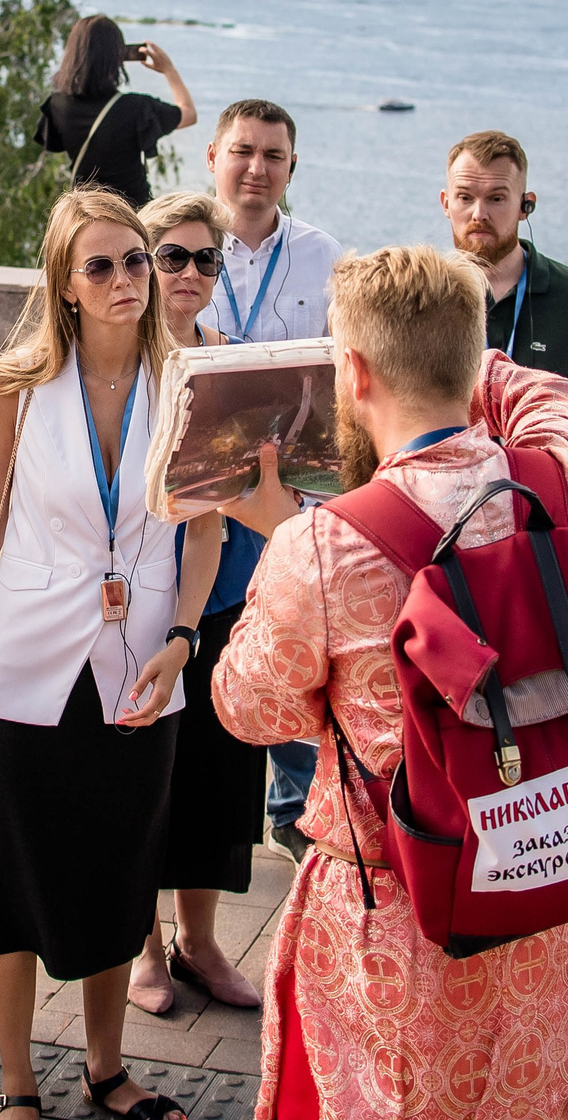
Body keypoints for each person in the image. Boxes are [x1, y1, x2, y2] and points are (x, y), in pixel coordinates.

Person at [212, 245, 568, 1120]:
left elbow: (250, 706)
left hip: (406, 902)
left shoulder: (324, 545)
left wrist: (276, 537)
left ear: (355, 371)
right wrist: (468, 350)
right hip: (544, 871)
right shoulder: (566, 478)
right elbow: (550, 398)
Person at [0, 188, 218, 1120]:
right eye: (102, 265)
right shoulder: (13, 380)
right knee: (9, 878)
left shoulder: (194, 374)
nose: (129, 279)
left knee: (120, 870)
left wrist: (184, 636)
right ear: (64, 282)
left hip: (140, 665)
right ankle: (17, 1081)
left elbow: (206, 528)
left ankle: (104, 1068)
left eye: (137, 259)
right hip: (25, 664)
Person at [125, 191, 292, 1017]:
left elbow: (267, 489)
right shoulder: (121, 361)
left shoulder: (237, 360)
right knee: (146, 777)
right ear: (140, 261)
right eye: (173, 256)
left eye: (206, 259)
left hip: (225, 602)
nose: (189, 273)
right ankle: (145, 948)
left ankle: (200, 941)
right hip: (137, 605)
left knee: (220, 781)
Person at [206, 98, 343, 863]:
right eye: (243, 151)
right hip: (198, 500)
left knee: (294, 661)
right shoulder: (180, 247)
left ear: (292, 167)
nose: (257, 168)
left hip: (290, 504)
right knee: (218, 660)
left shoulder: (323, 255)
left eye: (274, 156)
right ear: (213, 158)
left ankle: (305, 814)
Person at [440, 129, 568, 408]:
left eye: (496, 198)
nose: (479, 213)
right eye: (465, 198)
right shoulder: (420, 298)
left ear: (525, 205)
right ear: (446, 203)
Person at [33, 15, 196, 207]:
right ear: (118, 57)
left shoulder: (57, 105)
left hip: (86, 213)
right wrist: (168, 69)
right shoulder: (135, 108)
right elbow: (189, 114)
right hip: (132, 214)